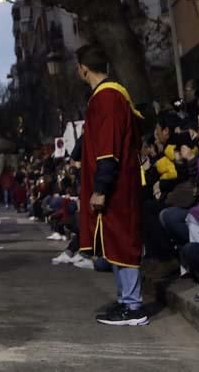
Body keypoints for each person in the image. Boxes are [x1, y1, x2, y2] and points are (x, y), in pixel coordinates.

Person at [74, 45, 147, 326]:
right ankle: (125, 301)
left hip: (117, 183)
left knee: (122, 240)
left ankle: (134, 306)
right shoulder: (108, 96)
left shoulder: (107, 98)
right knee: (114, 241)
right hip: (118, 180)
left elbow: (108, 147)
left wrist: (101, 187)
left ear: (83, 68)